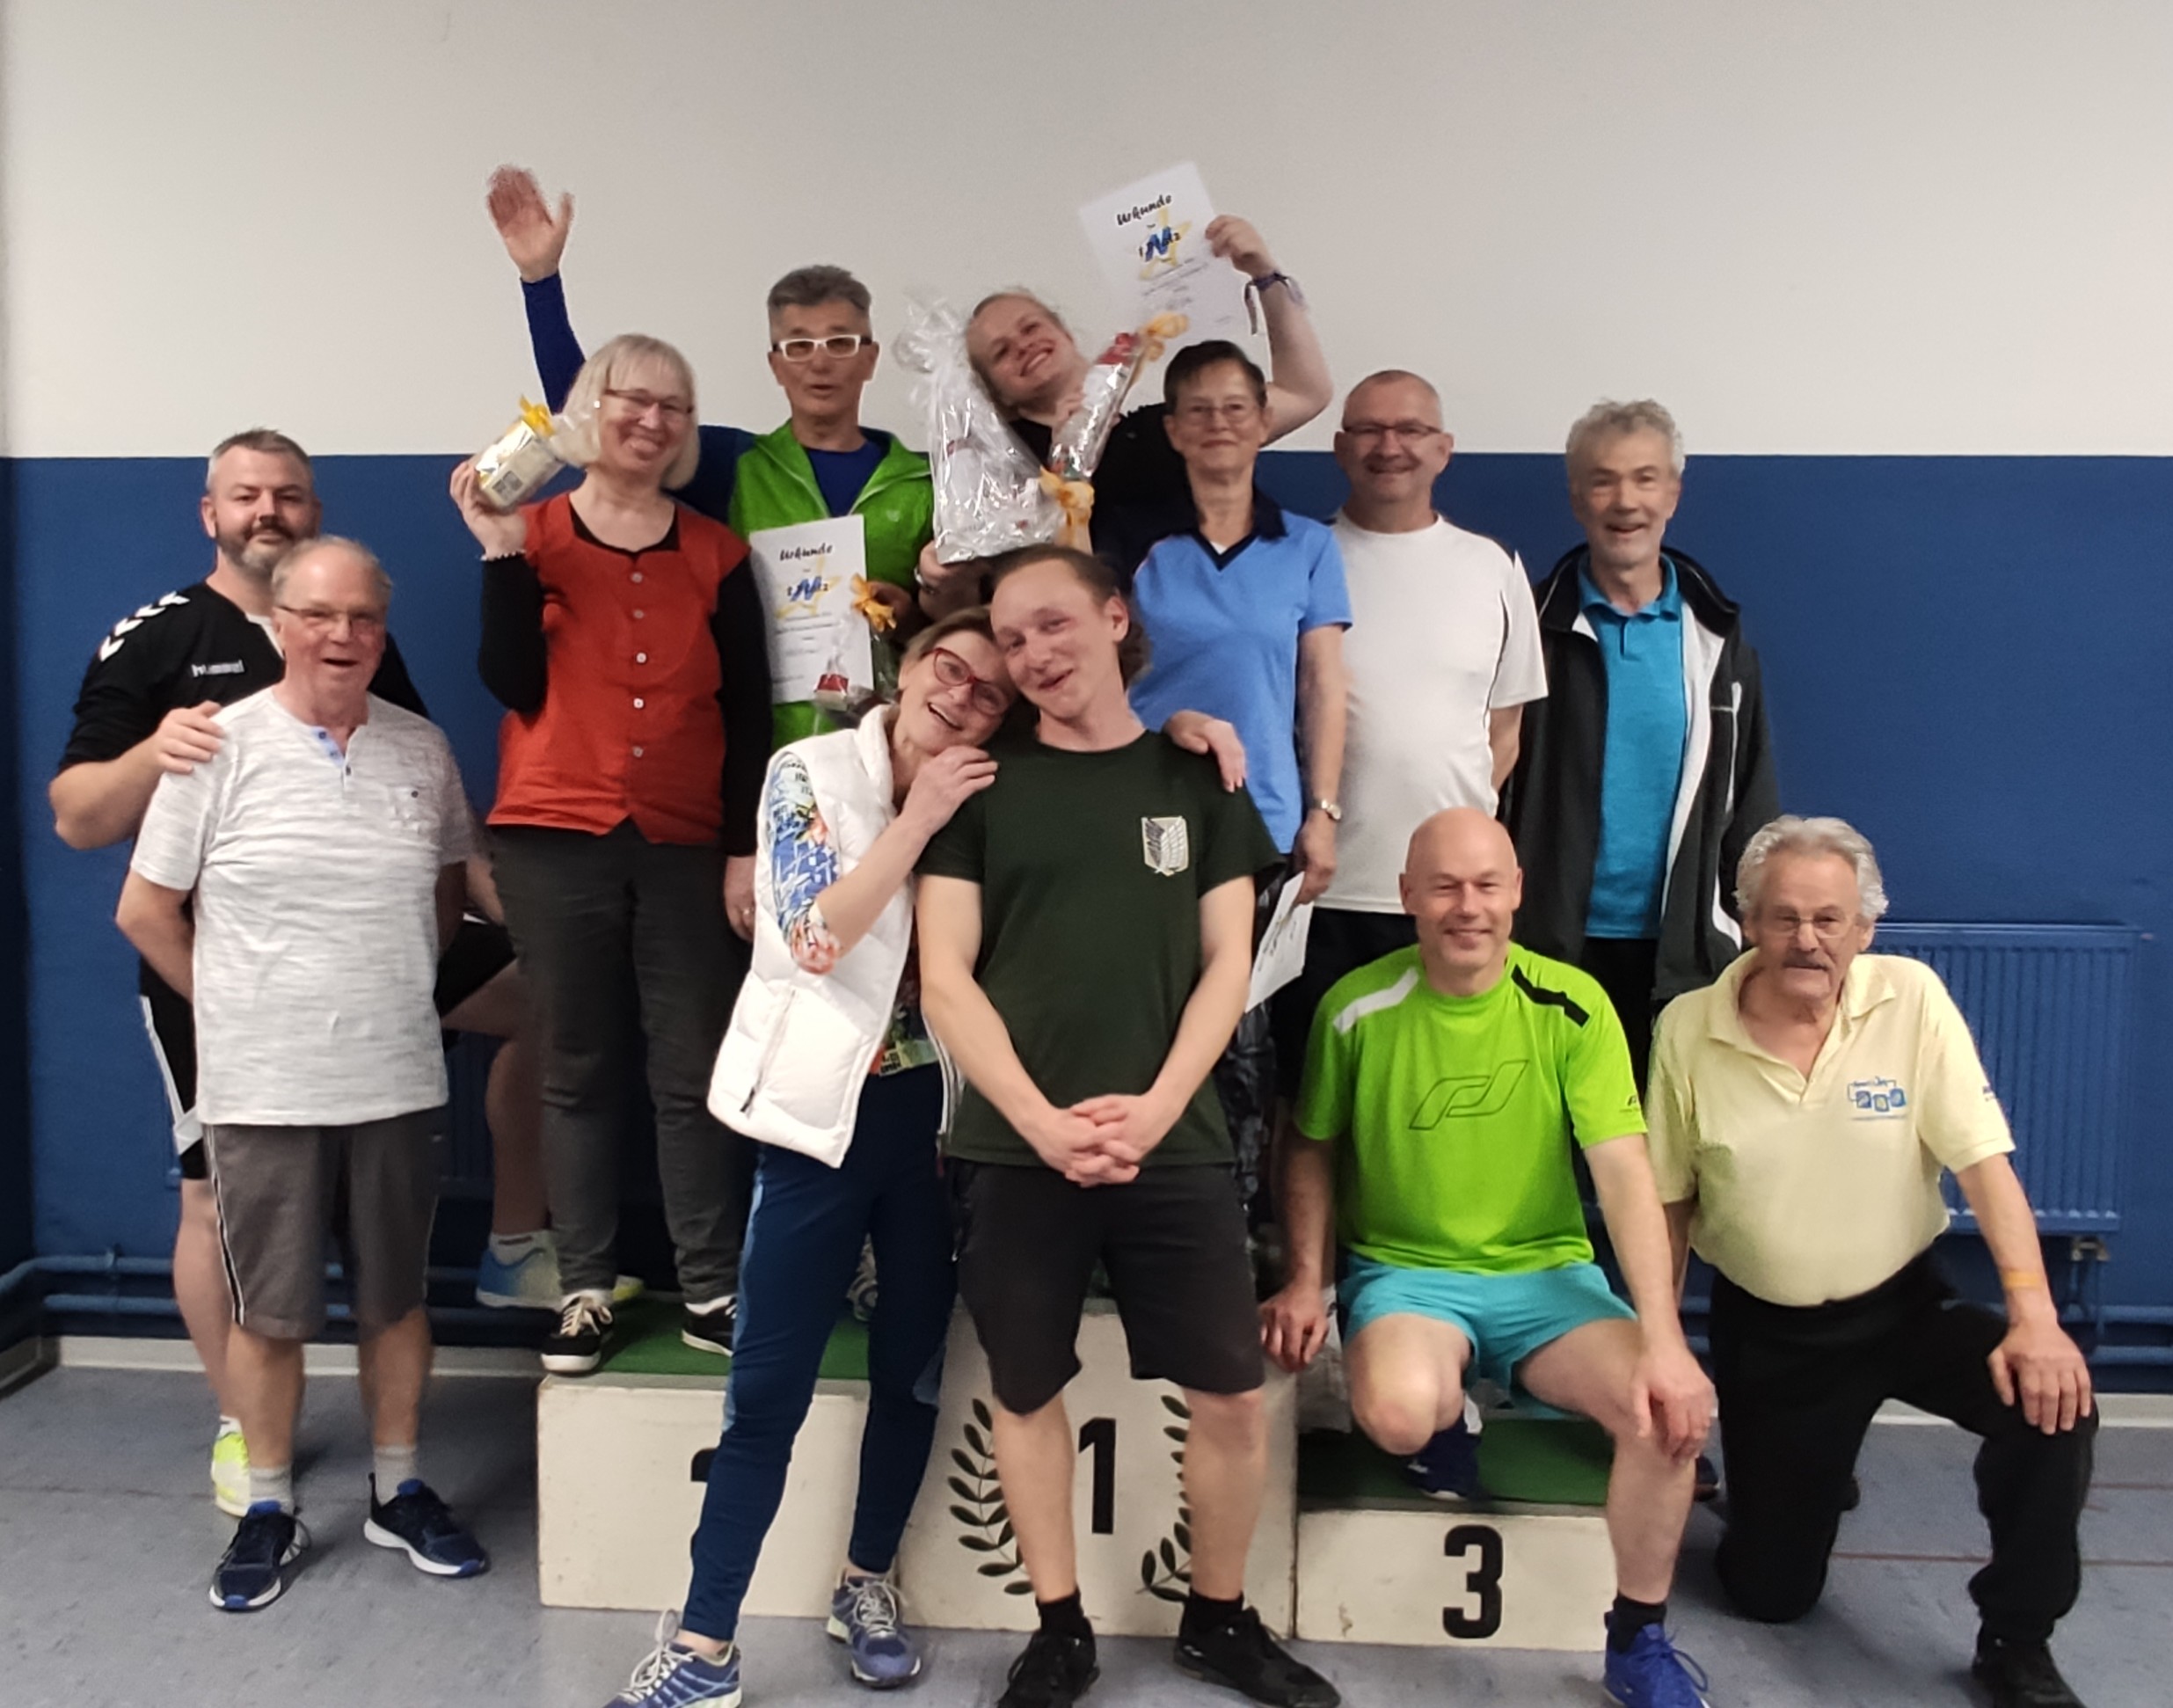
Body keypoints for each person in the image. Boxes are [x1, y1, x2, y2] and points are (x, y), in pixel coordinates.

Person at [48, 427, 550, 1518]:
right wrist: (156, 753)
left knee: (554, 1010)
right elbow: (81, 821)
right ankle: (247, 1430)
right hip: (229, 970)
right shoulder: (160, 645)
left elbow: (425, 821)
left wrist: (518, 928)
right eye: (246, 495)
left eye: (288, 494)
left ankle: (516, 1246)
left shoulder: (369, 654)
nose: (267, 511)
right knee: (211, 1197)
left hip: (366, 957)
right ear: (210, 513)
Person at [917, 545, 1338, 1708]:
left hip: (1178, 1141)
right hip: (1015, 1149)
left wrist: (1154, 1109)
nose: (1032, 654)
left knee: (1229, 1394)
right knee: (1023, 1390)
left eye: (1052, 624)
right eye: (1011, 640)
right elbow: (944, 977)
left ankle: (1217, 1617)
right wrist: (1039, 1121)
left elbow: (1227, 967)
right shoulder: (975, 784)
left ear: (1114, 619)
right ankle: (1058, 1627)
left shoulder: (1198, 775)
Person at [601, 610, 1014, 1706]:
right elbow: (814, 937)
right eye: (947, 668)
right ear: (907, 667)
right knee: (766, 1389)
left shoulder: (993, 792)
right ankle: (703, 1646)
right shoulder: (808, 770)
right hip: (815, 1123)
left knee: (911, 1372)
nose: (960, 696)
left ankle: (865, 1583)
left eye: (988, 693)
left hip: (932, 1125)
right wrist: (917, 819)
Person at [1259, 808, 1716, 1708]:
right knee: (1398, 1415)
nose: (1465, 907)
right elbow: (1308, 1146)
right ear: (1406, 897)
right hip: (1406, 1275)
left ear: (1515, 893)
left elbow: (1624, 1173)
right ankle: (1446, 1416)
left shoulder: (1572, 1005)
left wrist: (1664, 1340)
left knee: (1662, 1415)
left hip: (1547, 1279)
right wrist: (1308, 1278)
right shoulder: (1353, 1007)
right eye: (1443, 887)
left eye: (1484, 886)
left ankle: (1636, 1639)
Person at [1648, 816, 2098, 1708]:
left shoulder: (1911, 999)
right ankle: (1798, 1480)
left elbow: (1984, 1167)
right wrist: (1658, 1342)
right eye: (1783, 917)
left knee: (2053, 1409)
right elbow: (1666, 1205)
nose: (1805, 939)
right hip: (1772, 1337)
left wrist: (2035, 1319)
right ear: (1746, 921)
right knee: (1770, 1596)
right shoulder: (1686, 1028)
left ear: (1863, 928)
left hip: (1904, 1307)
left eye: (1828, 919)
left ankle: (2015, 1639)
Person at [115, 537, 489, 1610]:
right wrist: (236, 1010)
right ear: (278, 624)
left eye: (363, 617)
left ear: (382, 629)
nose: (342, 635)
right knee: (271, 1313)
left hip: (396, 1077)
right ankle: (270, 1507)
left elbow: (447, 897)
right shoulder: (214, 747)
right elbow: (144, 910)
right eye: (319, 615)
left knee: (396, 1301)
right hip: (265, 1089)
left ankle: (397, 1489)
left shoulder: (422, 748)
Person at [451, 332, 772, 1375]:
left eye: (673, 406)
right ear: (591, 407)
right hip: (553, 838)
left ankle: (711, 1286)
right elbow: (511, 682)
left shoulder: (718, 554)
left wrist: (742, 851)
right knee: (577, 1066)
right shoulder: (533, 533)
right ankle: (584, 1286)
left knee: (693, 1070)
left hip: (685, 841)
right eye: (631, 399)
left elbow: (748, 711)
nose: (651, 420)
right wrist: (499, 552)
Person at [486, 164, 935, 741]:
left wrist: (911, 617)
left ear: (869, 359)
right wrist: (540, 282)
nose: (820, 362)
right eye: (799, 346)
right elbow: (589, 417)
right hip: (760, 750)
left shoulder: (924, 482)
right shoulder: (735, 464)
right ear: (775, 365)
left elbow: (961, 624)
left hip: (883, 747)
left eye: (840, 343)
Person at [1269, 370, 1546, 1099]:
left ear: (1443, 449)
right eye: (1368, 429)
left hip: (1451, 905)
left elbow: (1505, 731)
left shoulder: (1492, 568)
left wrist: (1448, 852)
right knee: (1307, 1104)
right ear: (1339, 448)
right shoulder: (1300, 560)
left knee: (1431, 1098)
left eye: (1410, 430)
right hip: (1321, 890)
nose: (1388, 447)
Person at [1121, 337, 1351, 1206]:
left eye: (1235, 407)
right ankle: (1137, 1204)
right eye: (1198, 410)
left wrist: (1322, 811)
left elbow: (1322, 686)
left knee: (1246, 1041)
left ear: (1262, 422)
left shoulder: (1306, 547)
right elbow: (1098, 672)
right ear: (1174, 431)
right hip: (1143, 817)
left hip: (1261, 825)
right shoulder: (1130, 542)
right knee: (1146, 1020)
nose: (1218, 424)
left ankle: (1234, 1215)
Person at [1502, 398, 1778, 1085]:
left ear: (1672, 494)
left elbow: (1751, 795)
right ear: (1576, 498)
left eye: (1644, 478)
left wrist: (1754, 922)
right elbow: (1491, 784)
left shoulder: (1716, 638)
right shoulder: (1527, 629)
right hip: (1547, 944)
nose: (1624, 501)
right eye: (1602, 481)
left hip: (1682, 952)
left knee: (1670, 1139)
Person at [937, 215, 1331, 587]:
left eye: (1031, 327)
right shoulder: (1002, 470)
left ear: (1066, 334)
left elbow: (1304, 393)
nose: (1023, 345)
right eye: (1002, 352)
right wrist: (1066, 462)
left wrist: (1265, 276)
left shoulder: (1167, 428)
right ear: (997, 395)